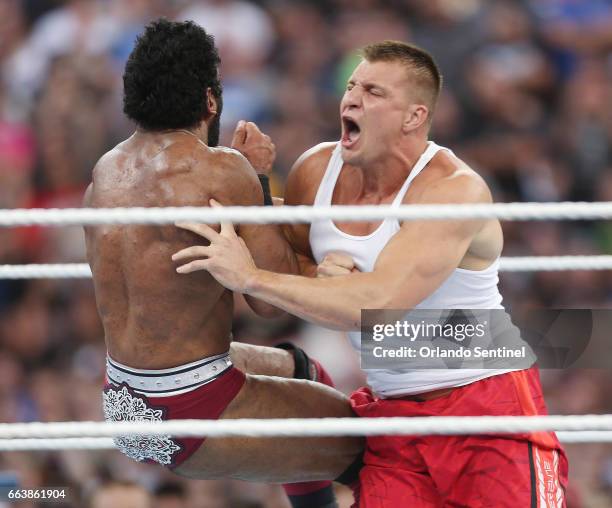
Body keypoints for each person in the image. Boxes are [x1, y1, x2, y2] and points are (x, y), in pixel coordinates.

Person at [173, 40, 568, 507]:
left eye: (374, 91)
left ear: (414, 117)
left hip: (486, 406)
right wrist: (257, 187)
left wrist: (252, 276)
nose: (352, 98)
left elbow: (376, 305)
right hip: (393, 416)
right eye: (351, 86)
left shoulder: (451, 190)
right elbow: (278, 291)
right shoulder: (316, 170)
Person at [83, 18, 363, 508]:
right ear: (210, 100)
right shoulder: (222, 169)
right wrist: (255, 178)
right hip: (195, 405)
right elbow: (271, 304)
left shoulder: (104, 175)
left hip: (123, 400)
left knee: (307, 372)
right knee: (370, 446)